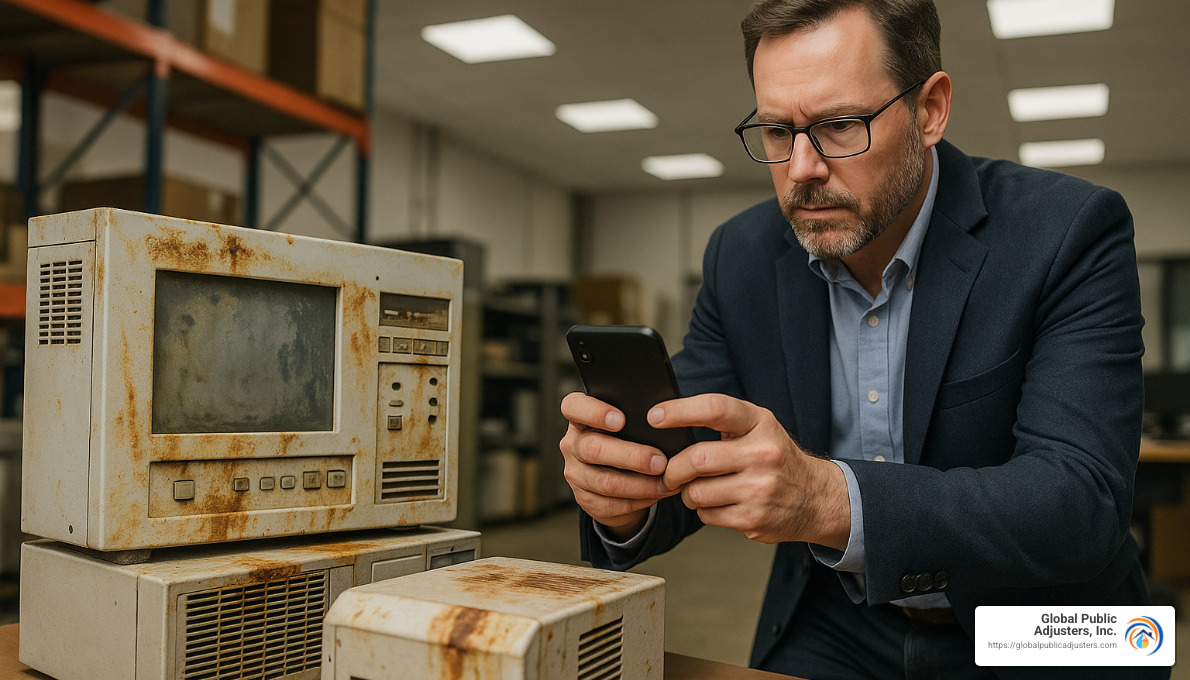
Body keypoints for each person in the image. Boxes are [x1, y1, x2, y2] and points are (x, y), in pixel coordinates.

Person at [558, 1, 1166, 679]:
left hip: (1042, 623)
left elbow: (1083, 504)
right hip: (839, 618)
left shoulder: (1068, 230)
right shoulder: (742, 255)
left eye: (840, 125)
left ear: (930, 110)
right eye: (778, 131)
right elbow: (691, 451)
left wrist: (827, 501)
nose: (802, 168)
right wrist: (623, 492)